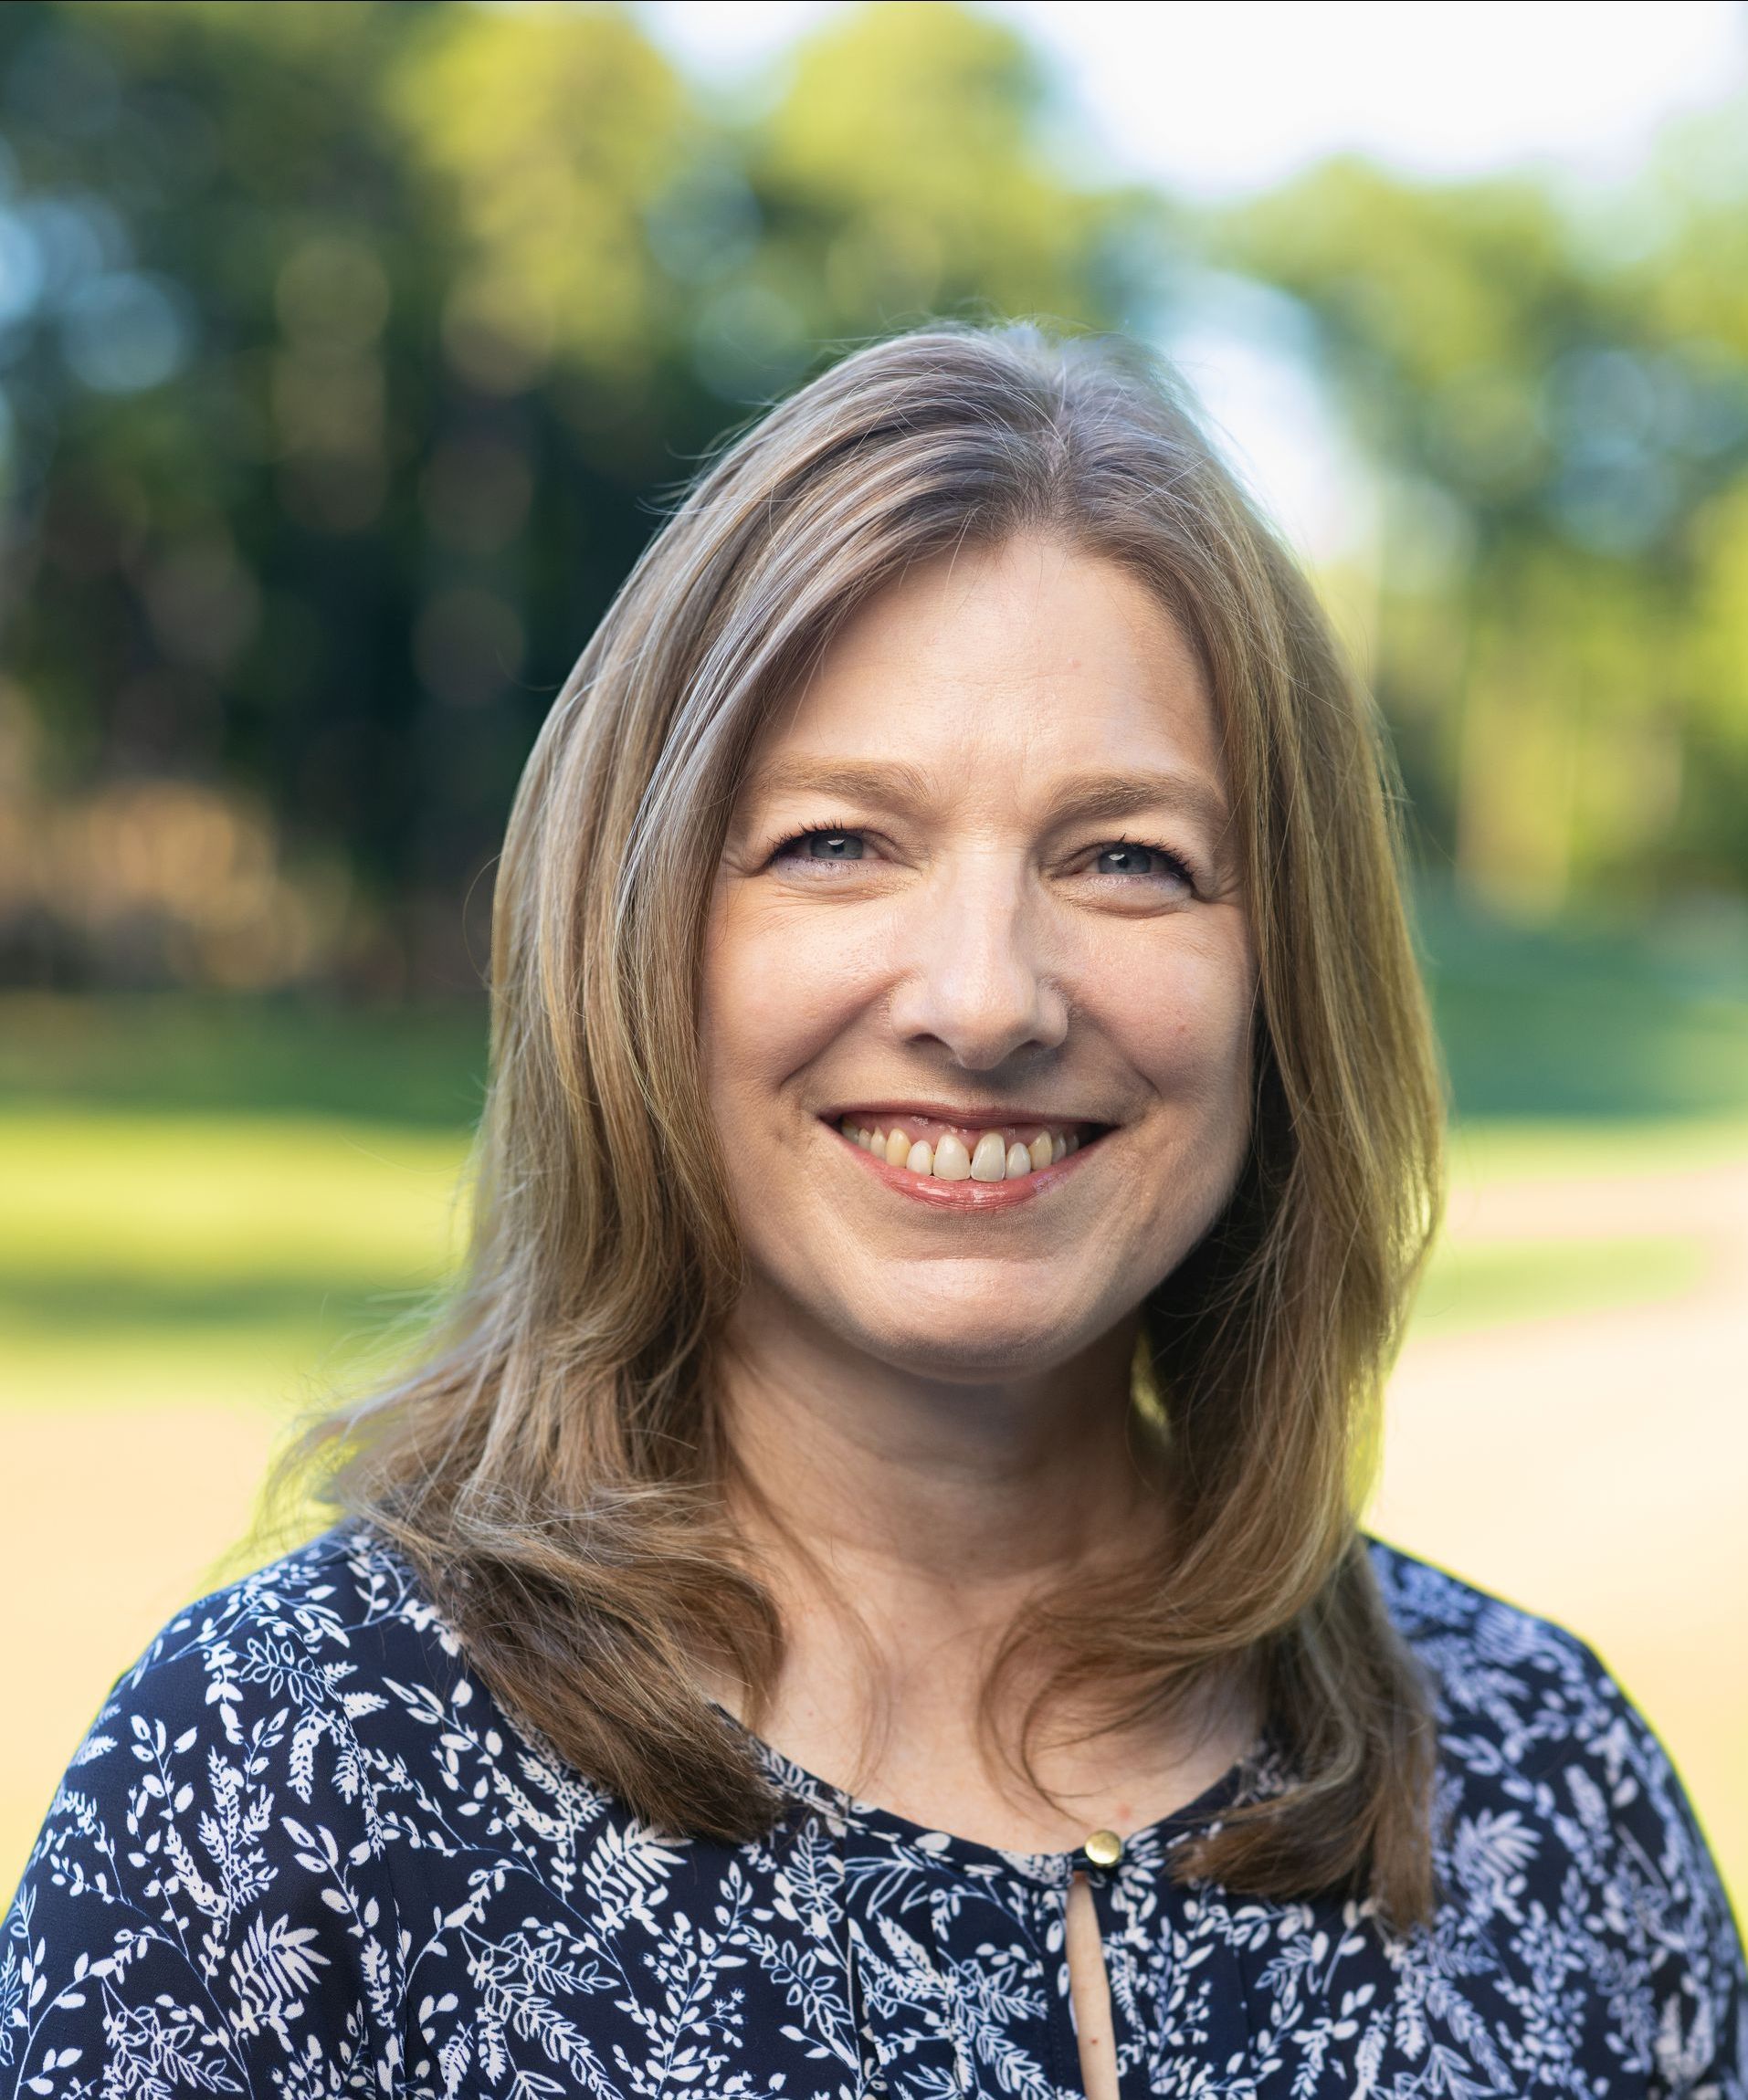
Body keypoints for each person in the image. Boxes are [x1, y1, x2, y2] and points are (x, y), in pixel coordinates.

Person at [4, 325, 1742, 2100]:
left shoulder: (1548, 1784)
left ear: (1286, 978)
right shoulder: (272, 1783)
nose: (987, 1000)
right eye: (837, 841)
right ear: (646, 934)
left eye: (1127, 857)